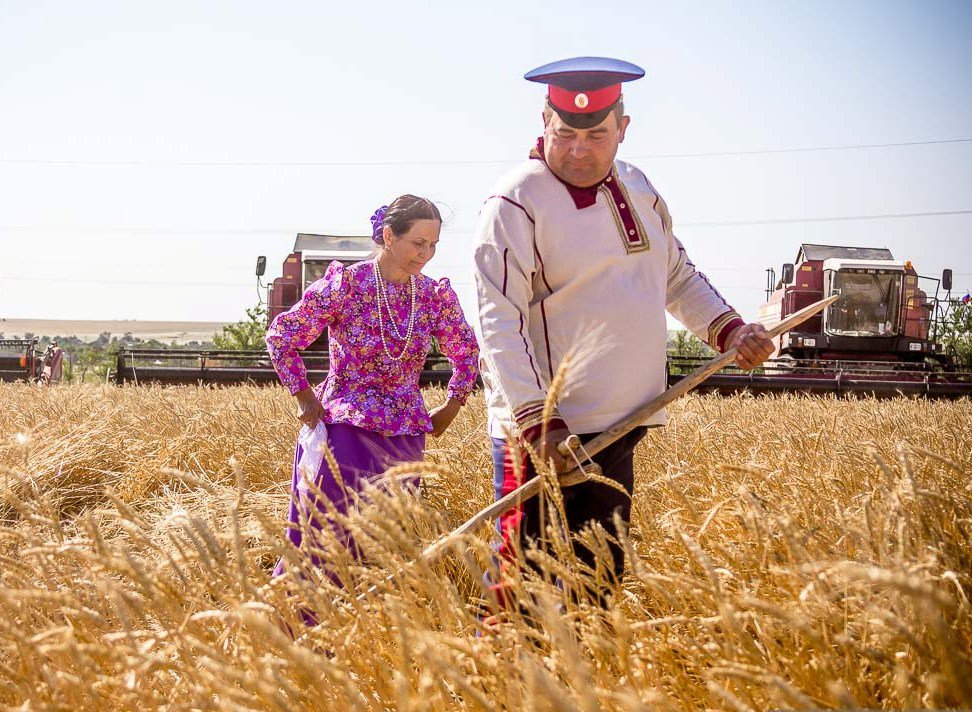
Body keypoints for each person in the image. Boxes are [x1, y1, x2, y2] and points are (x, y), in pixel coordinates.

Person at [472, 57, 774, 604]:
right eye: (565, 134)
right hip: (545, 440)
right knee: (523, 595)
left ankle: (586, 688)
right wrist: (542, 426)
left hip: (619, 427)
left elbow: (675, 275)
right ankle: (504, 689)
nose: (579, 149)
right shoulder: (514, 202)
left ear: (623, 129)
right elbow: (499, 323)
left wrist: (728, 330)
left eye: (596, 135)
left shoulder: (639, 187)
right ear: (544, 121)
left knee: (600, 586)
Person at [267, 194, 479, 588]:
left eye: (433, 245)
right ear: (388, 235)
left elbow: (466, 351)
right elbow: (282, 336)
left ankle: (366, 639)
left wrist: (453, 403)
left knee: (384, 545)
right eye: (418, 243)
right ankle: (299, 628)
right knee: (327, 538)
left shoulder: (433, 296)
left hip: (405, 441)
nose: (427, 254)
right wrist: (304, 396)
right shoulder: (347, 285)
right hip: (346, 435)